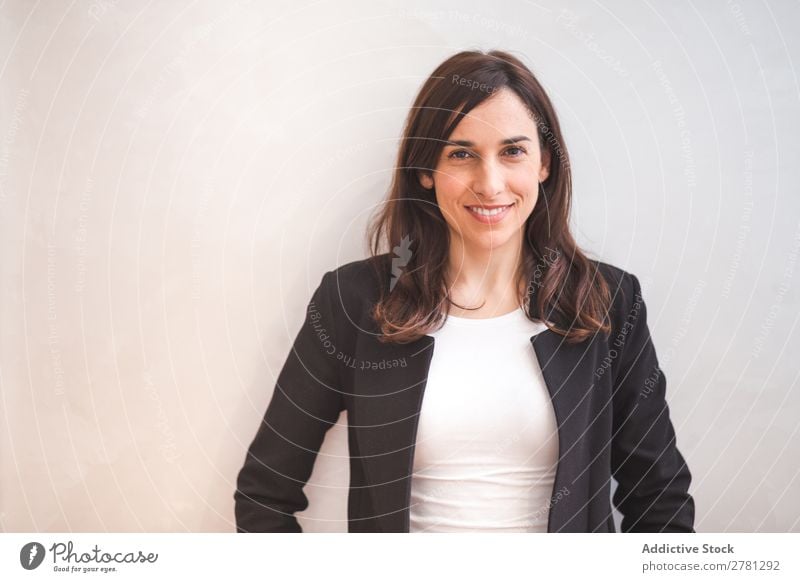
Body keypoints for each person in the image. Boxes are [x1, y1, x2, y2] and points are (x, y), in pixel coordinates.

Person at [234, 49, 695, 533]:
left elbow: (659, 497)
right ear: (425, 171)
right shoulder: (353, 302)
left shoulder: (608, 302)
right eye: (461, 154)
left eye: (513, 151)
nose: (489, 183)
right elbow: (265, 494)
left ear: (544, 164)